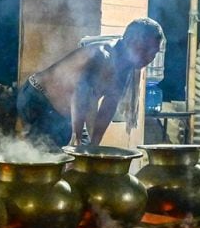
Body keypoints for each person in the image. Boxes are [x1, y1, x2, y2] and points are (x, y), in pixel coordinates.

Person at [17, 17, 164, 149]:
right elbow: (80, 93)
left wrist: (95, 144)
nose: (150, 57)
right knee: (51, 160)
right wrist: (76, 139)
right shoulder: (102, 55)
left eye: (154, 52)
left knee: (87, 158)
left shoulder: (126, 67)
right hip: (37, 98)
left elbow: (108, 107)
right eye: (146, 49)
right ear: (131, 40)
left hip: (66, 115)